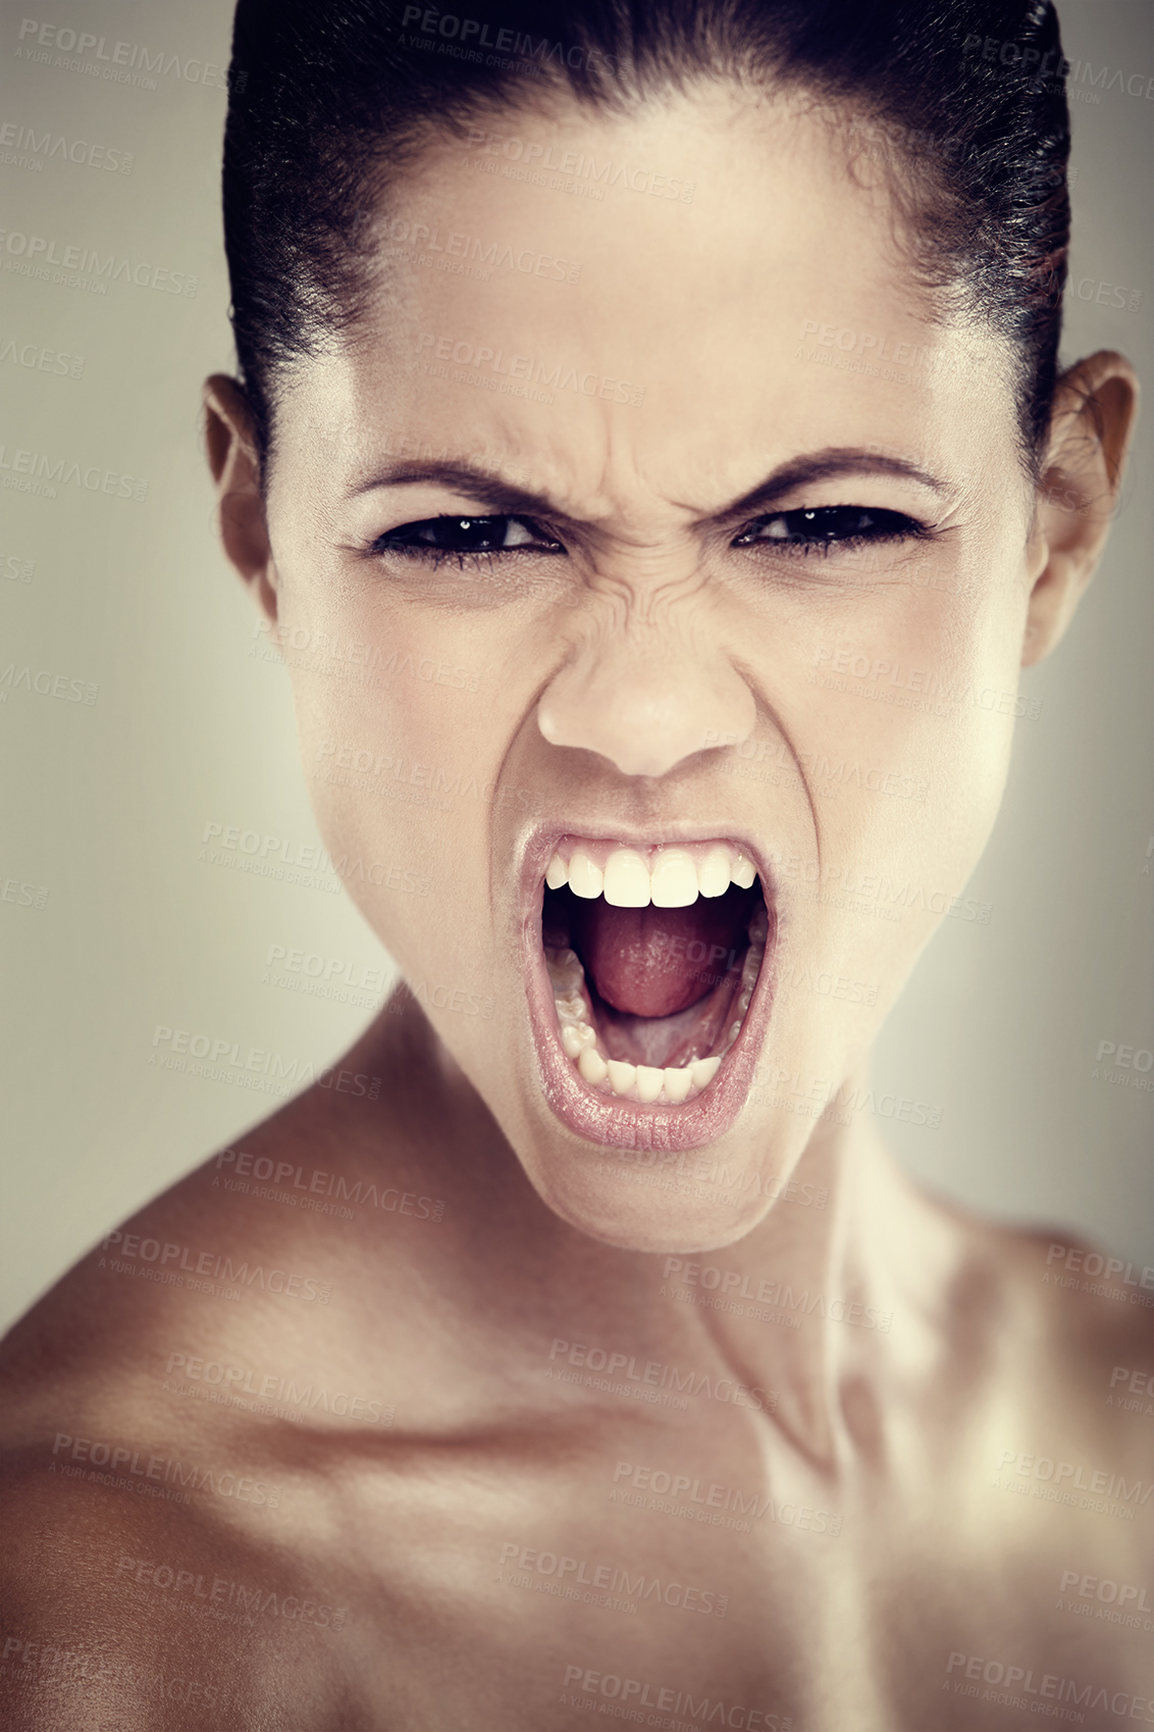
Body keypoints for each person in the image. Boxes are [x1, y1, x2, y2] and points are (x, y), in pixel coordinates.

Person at [1, 0, 1148, 1725]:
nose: (638, 711)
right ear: (261, 533)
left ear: (1056, 522)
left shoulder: (1121, 1404)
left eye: (822, 521)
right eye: (466, 532)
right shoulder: (119, 1620)